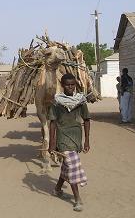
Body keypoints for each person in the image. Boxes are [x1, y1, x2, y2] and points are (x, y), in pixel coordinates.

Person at [48, 73, 90, 212]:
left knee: (67, 165)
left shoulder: (80, 101)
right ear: (62, 85)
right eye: (67, 85)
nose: (70, 87)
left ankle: (57, 188)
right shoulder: (56, 102)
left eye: (72, 84)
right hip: (62, 138)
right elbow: (52, 123)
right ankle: (77, 199)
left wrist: (87, 141)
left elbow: (87, 120)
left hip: (76, 137)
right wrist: (52, 143)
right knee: (72, 164)